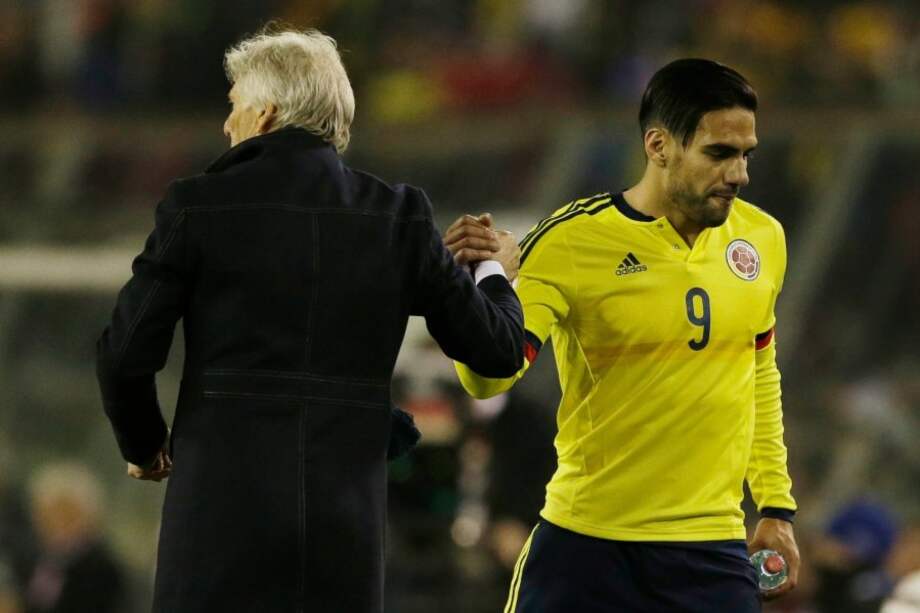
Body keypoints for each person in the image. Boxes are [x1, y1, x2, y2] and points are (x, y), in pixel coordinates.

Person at [95, 27, 524, 613]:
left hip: (218, 527)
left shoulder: (197, 207)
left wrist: (145, 446)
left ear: (266, 114)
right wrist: (494, 272)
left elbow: (124, 355)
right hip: (343, 530)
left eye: (233, 106)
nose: (227, 125)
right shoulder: (398, 218)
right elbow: (498, 351)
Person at [446, 59, 800, 612]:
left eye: (745, 154)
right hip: (587, 550)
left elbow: (758, 375)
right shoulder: (569, 243)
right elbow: (487, 379)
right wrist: (484, 285)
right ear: (659, 146)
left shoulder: (762, 238)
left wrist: (776, 506)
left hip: (711, 552)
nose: (739, 175)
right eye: (719, 154)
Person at [23, 463, 125, 613]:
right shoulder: (42, 560)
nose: (56, 524)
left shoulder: (103, 568)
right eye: (48, 516)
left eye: (67, 515)